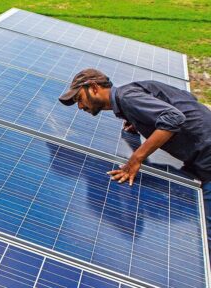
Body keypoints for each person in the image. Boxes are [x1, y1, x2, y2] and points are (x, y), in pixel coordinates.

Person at [58, 68, 211, 243]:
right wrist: (141, 121)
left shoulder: (128, 98)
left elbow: (174, 118)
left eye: (79, 98)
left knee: (207, 238)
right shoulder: (129, 96)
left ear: (94, 87)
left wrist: (136, 159)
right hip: (198, 158)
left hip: (207, 159)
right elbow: (185, 98)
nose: (80, 106)